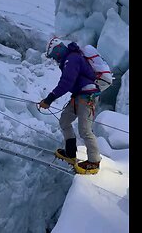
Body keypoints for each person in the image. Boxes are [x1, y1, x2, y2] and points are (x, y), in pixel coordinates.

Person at [39, 38, 102, 175]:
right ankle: (70, 153)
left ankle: (94, 162)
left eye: (54, 55)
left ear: (58, 49)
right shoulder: (70, 59)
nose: (54, 59)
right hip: (78, 96)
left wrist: (49, 99)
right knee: (65, 121)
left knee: (85, 130)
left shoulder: (72, 59)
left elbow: (66, 82)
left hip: (87, 95)